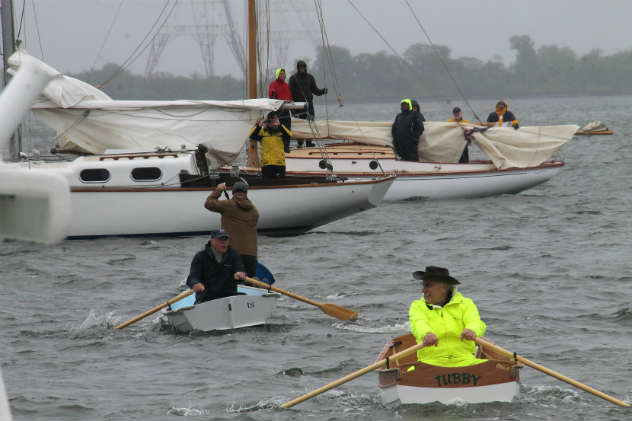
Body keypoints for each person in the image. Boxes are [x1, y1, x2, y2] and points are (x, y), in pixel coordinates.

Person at [409, 266, 487, 367]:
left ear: (444, 287)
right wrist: (426, 334)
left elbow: (476, 322)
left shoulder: (466, 304)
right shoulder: (417, 306)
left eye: (428, 286)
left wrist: (472, 330)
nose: (423, 291)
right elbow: (418, 323)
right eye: (423, 286)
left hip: (465, 361)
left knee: (497, 370)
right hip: (430, 364)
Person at [204, 181, 259, 278]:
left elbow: (208, 204)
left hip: (233, 254)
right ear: (246, 193)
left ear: (233, 192)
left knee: (229, 283)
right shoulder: (254, 211)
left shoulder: (228, 205)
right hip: (251, 256)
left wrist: (219, 190)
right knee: (249, 282)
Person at [186, 229, 246, 304]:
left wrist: (241, 274)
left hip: (230, 296)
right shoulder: (200, 256)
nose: (224, 243)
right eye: (220, 240)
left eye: (226, 239)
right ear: (212, 242)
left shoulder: (233, 255)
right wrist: (195, 283)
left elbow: (240, 268)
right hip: (207, 298)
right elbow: (192, 277)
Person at [289, 60, 328, 148]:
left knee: (310, 123)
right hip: (297, 105)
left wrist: (322, 91)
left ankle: (309, 142)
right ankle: (299, 142)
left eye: (303, 67)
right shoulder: (293, 78)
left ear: (305, 67)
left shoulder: (310, 77)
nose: (302, 68)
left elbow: (315, 90)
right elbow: (290, 92)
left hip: (309, 105)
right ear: (298, 68)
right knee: (299, 124)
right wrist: (292, 107)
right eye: (300, 67)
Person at [248, 111, 292, 179]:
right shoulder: (263, 132)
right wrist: (260, 125)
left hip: (279, 164)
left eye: (273, 121)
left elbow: (289, 135)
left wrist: (279, 125)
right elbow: (252, 136)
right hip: (266, 164)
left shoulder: (281, 131)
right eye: (270, 121)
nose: (271, 124)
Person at [268, 67, 293, 152]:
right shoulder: (273, 84)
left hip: (286, 111)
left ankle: (286, 148)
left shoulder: (286, 85)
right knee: (278, 130)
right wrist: (273, 93)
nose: (283, 75)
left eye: (284, 74)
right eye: (281, 74)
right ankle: (279, 148)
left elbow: (290, 97)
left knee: (287, 130)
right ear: (278, 75)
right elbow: (271, 93)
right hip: (278, 111)